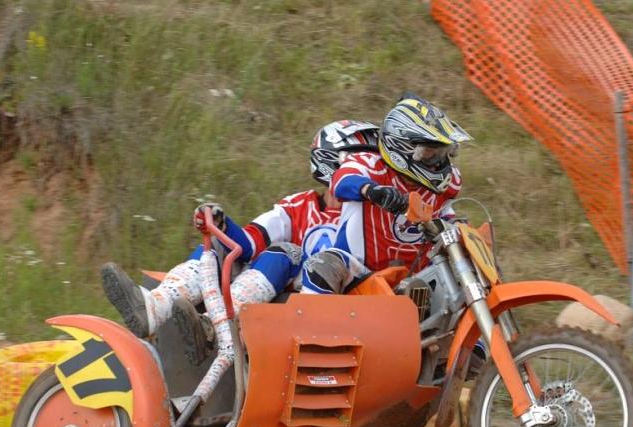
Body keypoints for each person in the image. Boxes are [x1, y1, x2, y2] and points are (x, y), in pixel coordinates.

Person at [100, 119, 380, 350]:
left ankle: (218, 326)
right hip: (276, 282)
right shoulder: (298, 205)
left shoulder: (375, 217)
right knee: (219, 245)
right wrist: (221, 223)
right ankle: (155, 308)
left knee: (286, 253)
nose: (373, 171)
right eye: (366, 162)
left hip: (325, 297)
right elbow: (248, 243)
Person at [300, 93, 472, 295]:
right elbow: (341, 180)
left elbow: (446, 214)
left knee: (460, 280)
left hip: (417, 277)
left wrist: (455, 227)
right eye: (430, 151)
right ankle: (311, 316)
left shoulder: (447, 184)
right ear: (402, 147)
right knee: (323, 265)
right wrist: (371, 190)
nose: (438, 161)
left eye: (442, 152)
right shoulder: (369, 163)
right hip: (360, 274)